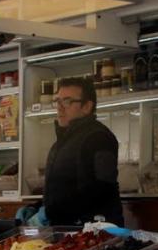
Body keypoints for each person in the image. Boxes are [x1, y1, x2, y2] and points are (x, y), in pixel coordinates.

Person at [41, 77, 123, 226]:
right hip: (65, 228)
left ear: (87, 106)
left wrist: (49, 212)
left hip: (93, 230)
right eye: (58, 101)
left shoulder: (98, 138)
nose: (60, 108)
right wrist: (37, 207)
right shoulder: (61, 143)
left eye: (67, 102)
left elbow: (99, 189)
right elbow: (60, 189)